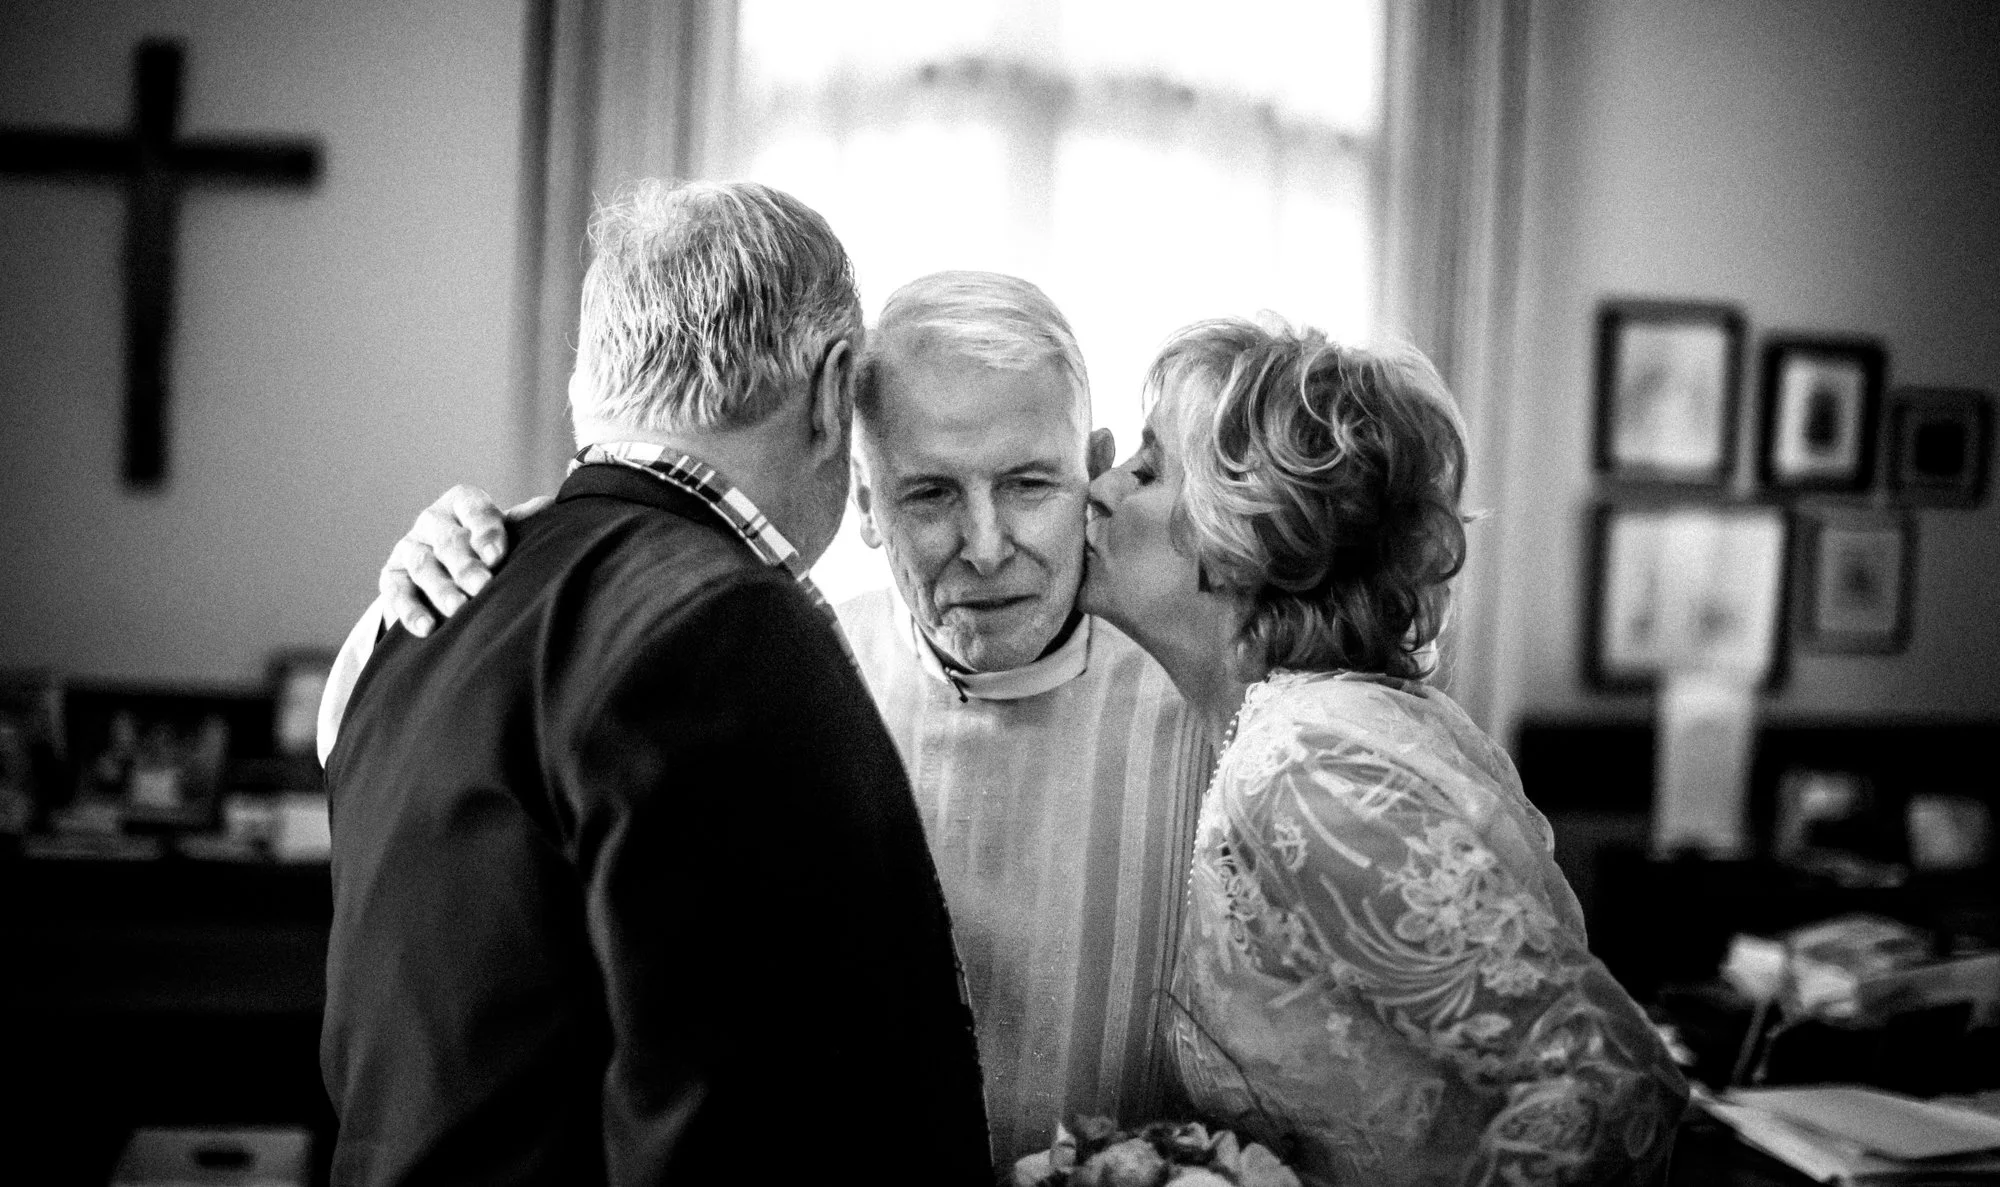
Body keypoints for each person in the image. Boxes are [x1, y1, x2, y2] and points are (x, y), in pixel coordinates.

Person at [323, 272, 1212, 1162]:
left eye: (1028, 484)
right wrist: (480, 562)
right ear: (864, 500)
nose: (984, 547)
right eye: (930, 495)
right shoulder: (782, 676)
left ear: (1094, 468)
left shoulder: (1204, 706)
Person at [318, 180, 990, 1185]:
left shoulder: (406, 622)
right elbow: (733, 1129)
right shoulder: (728, 627)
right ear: (830, 387)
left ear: (589, 381)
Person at [1080, 319, 1688, 1185]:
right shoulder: (1306, 728)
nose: (1101, 488)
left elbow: (1614, 1079)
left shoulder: (1304, 770)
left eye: (1147, 469)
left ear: (1242, 540)